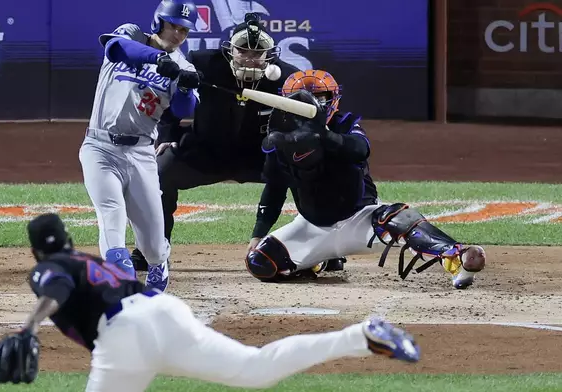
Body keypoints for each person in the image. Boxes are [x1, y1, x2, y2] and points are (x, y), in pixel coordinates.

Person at [0, 213, 420, 391]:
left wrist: (27, 327)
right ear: (68, 239)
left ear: (36, 251)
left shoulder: (50, 267)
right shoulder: (88, 260)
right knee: (254, 368)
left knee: (252, 370)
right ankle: (360, 336)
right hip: (163, 309)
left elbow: (53, 289)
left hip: (123, 337)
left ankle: (360, 337)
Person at [132, 12, 346, 273]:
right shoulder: (202, 64)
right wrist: (167, 138)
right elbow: (171, 99)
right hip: (206, 153)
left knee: (310, 171)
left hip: (261, 158)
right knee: (160, 172)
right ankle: (151, 251)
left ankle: (327, 248)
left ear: (271, 55)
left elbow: (310, 119)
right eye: (242, 50)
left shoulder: (287, 79)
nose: (250, 57)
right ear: (230, 50)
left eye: (258, 53)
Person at [245, 69, 487, 288]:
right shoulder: (279, 140)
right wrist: (258, 233)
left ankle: (456, 256)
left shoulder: (344, 123)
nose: (316, 103)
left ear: (333, 99)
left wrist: (323, 135)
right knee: (260, 263)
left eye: (322, 96)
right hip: (311, 226)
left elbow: (360, 149)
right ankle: (321, 260)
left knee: (398, 216)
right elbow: (275, 188)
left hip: (360, 220)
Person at [79, 0, 203, 292]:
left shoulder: (183, 66)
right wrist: (158, 59)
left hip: (140, 154)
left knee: (152, 246)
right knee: (111, 211)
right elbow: (116, 49)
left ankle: (160, 261)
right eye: (174, 26)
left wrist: (185, 86)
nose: (178, 35)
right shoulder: (132, 35)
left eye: (184, 30)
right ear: (159, 22)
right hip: (99, 148)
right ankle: (120, 273)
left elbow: (184, 110)